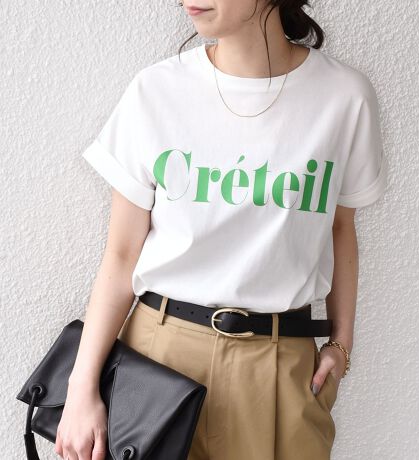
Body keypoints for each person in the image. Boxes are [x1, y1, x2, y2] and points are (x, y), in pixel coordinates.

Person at [55, 1, 388, 459]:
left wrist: (341, 345)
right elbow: (121, 255)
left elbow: (341, 228)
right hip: (158, 361)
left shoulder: (344, 97)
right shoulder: (157, 91)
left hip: (279, 367)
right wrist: (81, 387)